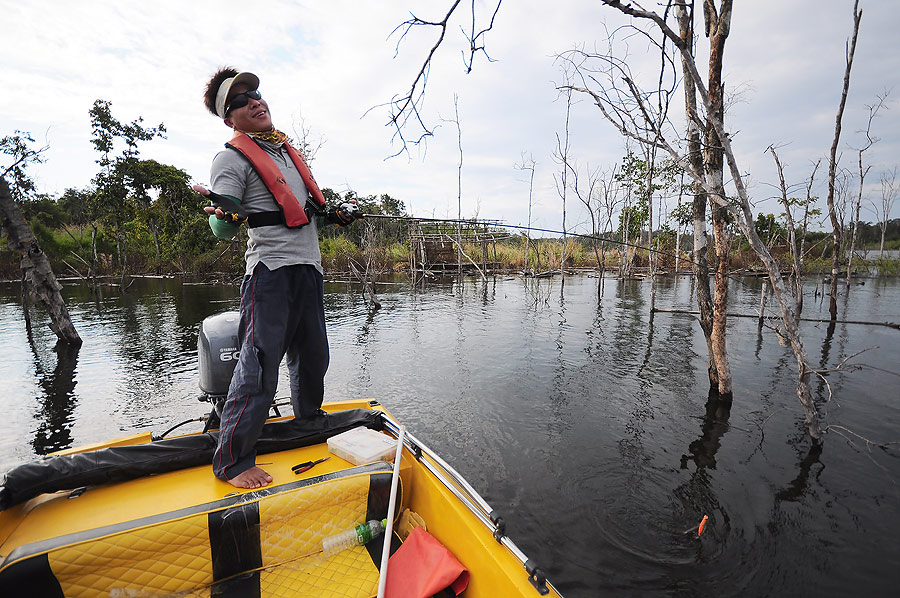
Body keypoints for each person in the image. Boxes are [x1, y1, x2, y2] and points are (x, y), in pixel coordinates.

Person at [193, 67, 360, 489]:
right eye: (242, 100)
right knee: (259, 365)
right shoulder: (229, 159)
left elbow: (304, 211)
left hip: (308, 269)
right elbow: (221, 226)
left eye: (257, 92)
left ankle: (308, 421)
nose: (255, 101)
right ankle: (232, 461)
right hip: (269, 273)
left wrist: (335, 213)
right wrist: (226, 216)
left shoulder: (285, 153)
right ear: (229, 118)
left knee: (313, 355)